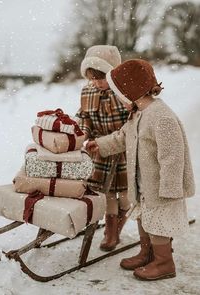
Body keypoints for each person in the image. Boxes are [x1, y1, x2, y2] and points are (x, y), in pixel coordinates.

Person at [86, 59, 195, 280]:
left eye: (119, 94)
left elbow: (173, 156)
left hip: (161, 189)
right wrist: (102, 144)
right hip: (143, 184)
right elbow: (123, 136)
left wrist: (170, 188)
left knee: (158, 225)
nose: (118, 98)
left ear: (130, 91)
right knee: (144, 219)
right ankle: (147, 253)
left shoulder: (161, 117)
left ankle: (164, 263)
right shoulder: (137, 114)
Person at [76, 45, 130, 251]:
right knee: (105, 192)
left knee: (126, 194)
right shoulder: (88, 91)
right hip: (98, 150)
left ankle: (120, 221)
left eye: (101, 78)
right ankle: (111, 230)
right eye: (92, 78)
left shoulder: (126, 92)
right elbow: (85, 117)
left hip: (124, 150)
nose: (97, 83)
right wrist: (82, 133)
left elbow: (134, 121)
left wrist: (117, 140)